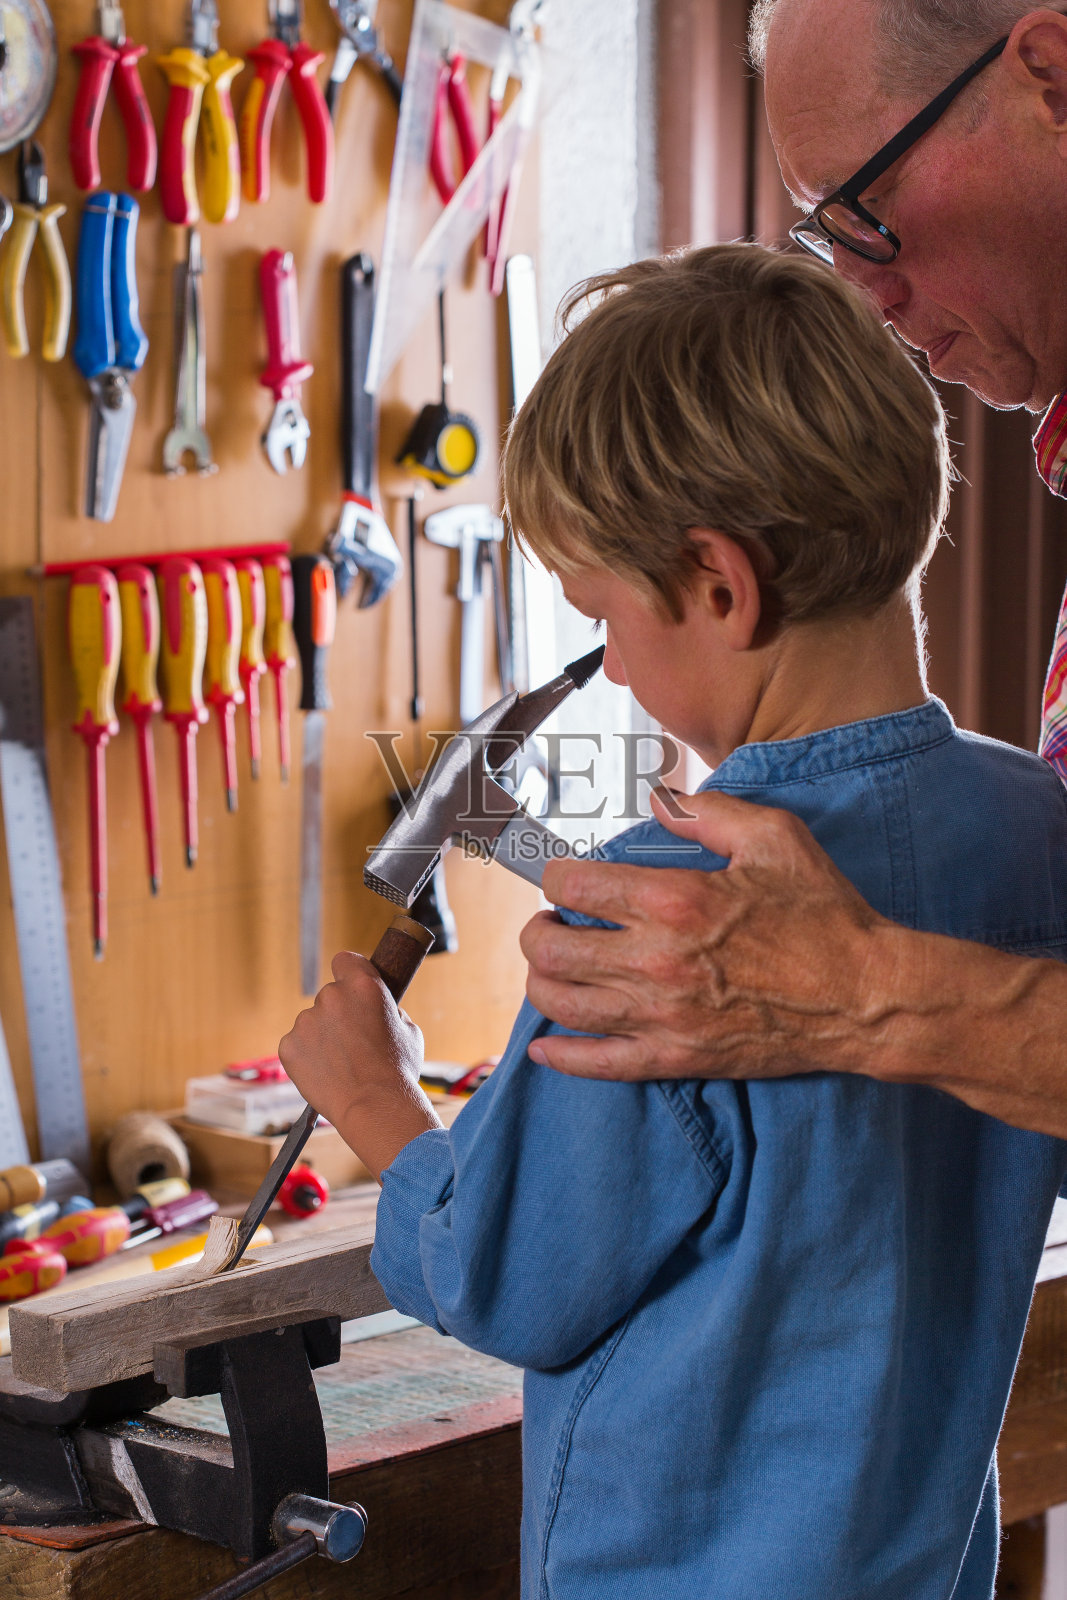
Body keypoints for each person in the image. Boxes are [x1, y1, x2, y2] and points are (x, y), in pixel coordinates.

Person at [280, 244, 1067, 1599]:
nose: (616, 672)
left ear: (715, 584)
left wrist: (378, 1105)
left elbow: (506, 1279)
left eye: (603, 618)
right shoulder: (1033, 826)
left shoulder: (665, 919)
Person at [517, 0, 1067, 1142]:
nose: (860, 292)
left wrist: (859, 993)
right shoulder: (1025, 817)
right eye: (826, 235)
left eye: (867, 206)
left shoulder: (669, 913)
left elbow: (507, 1239)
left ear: (1052, 79)